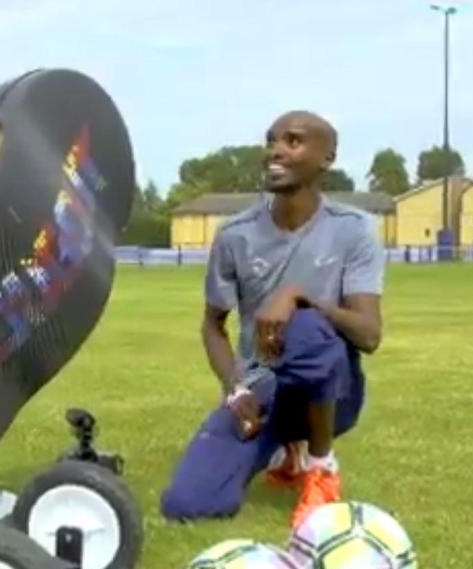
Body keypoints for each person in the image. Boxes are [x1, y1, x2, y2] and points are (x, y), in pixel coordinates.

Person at [159, 110, 386, 530]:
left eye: (293, 141)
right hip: (260, 392)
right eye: (271, 141)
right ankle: (285, 453)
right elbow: (213, 326)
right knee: (187, 502)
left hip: (332, 392)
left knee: (306, 327)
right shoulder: (235, 233)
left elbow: (369, 335)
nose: (275, 151)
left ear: (326, 158)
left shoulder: (354, 230)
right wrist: (234, 389)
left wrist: (302, 299)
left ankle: (320, 466)